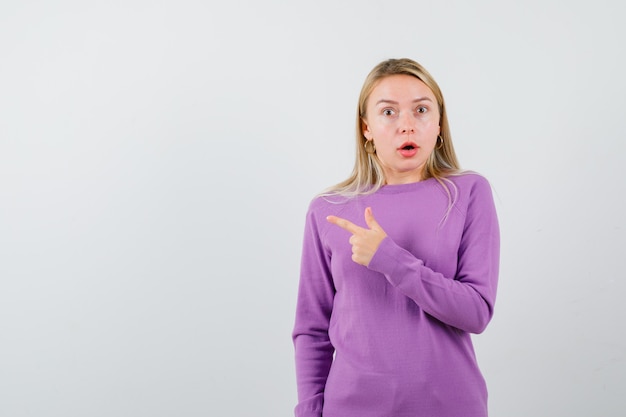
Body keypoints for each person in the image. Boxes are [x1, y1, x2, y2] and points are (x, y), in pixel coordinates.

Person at [292, 58, 500, 417]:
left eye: (421, 109)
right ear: (366, 128)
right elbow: (312, 331)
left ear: (438, 124)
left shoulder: (468, 193)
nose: (407, 125)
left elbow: (476, 312)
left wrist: (390, 260)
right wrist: (309, 412)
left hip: (450, 406)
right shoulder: (328, 210)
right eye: (388, 112)